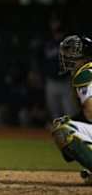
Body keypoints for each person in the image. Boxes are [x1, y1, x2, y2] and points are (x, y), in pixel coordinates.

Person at [51, 35, 92, 185]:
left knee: (62, 130)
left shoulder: (84, 73)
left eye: (70, 53)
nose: (66, 57)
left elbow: (90, 113)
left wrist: (71, 121)